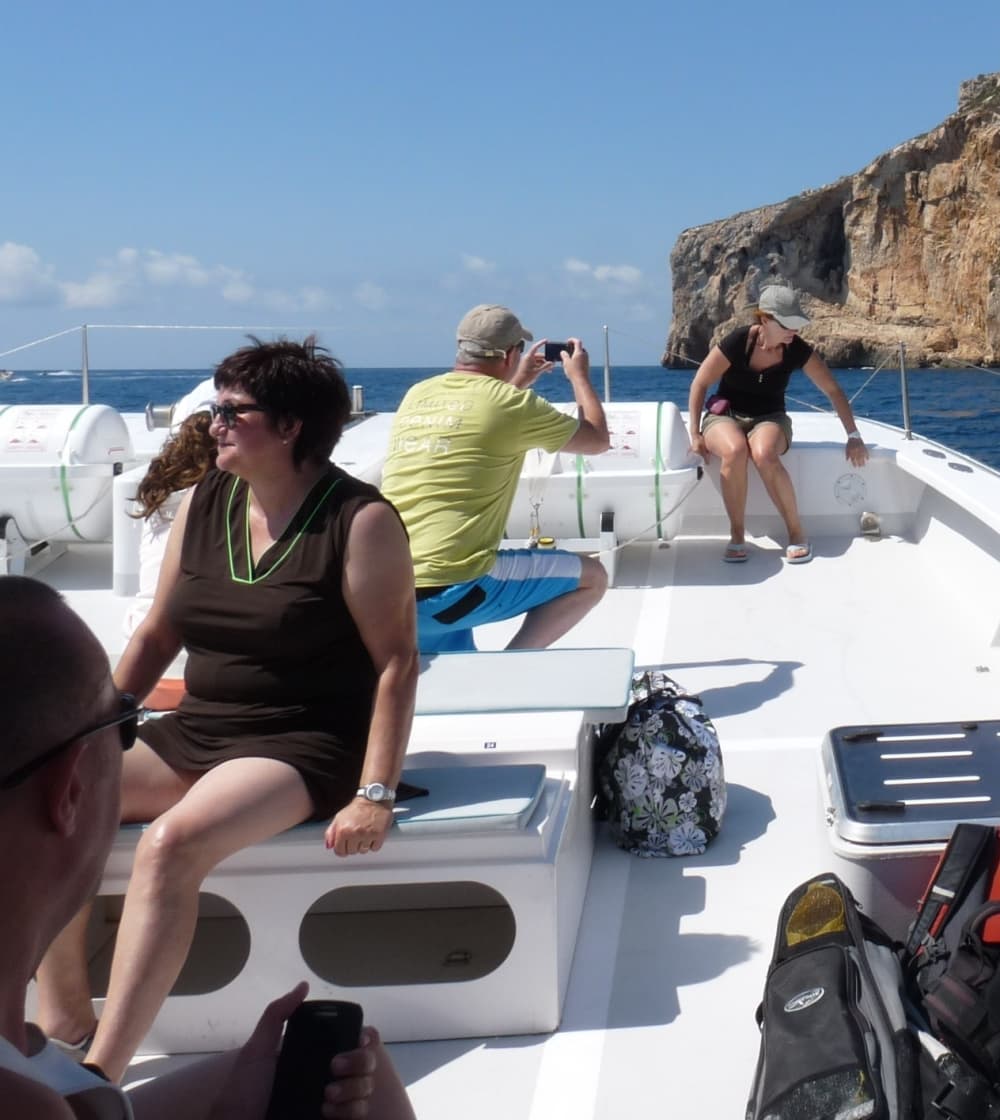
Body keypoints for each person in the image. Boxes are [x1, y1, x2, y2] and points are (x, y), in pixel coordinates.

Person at [34, 335, 420, 1084]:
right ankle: (63, 1018)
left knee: (169, 845)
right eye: (216, 408)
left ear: (291, 426)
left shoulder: (360, 521)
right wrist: (99, 724)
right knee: (57, 797)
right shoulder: (210, 499)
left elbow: (397, 663)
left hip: (304, 740)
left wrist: (376, 794)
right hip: (204, 726)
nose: (214, 423)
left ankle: (101, 1076)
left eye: (233, 411)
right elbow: (158, 631)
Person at [0, 576, 416, 1119]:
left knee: (345, 1070)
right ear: (70, 789)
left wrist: (230, 1099)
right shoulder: (25, 1104)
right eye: (124, 725)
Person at [380, 303, 611, 653]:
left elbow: (480, 413)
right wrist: (579, 376)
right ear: (510, 354)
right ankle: (513, 665)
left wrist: (518, 380)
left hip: (387, 593)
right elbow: (596, 439)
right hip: (453, 593)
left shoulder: (418, 394)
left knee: (449, 633)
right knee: (592, 578)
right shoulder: (511, 405)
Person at [687, 284, 870, 564]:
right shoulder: (738, 342)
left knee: (763, 454)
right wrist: (695, 434)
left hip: (770, 417)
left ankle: (796, 533)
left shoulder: (796, 350)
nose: (794, 331)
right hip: (726, 414)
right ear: (765, 320)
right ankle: (737, 535)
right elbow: (700, 383)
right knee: (735, 450)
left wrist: (853, 435)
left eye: (797, 324)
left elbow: (833, 390)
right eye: (787, 324)